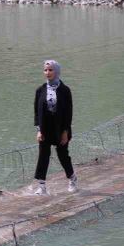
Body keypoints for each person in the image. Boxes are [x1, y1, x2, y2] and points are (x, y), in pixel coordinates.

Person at [33, 60, 77, 195]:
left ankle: (72, 178)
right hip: (45, 128)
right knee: (43, 155)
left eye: (50, 70)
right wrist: (39, 130)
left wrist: (65, 131)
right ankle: (41, 186)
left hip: (60, 128)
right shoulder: (40, 90)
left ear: (57, 71)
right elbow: (36, 111)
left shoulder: (65, 90)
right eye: (45, 70)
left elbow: (69, 112)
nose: (47, 73)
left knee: (63, 155)